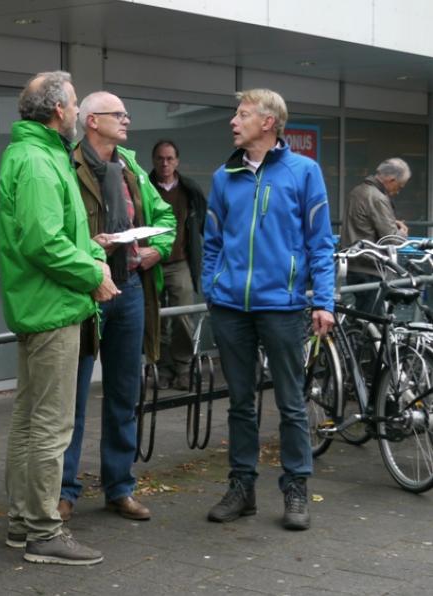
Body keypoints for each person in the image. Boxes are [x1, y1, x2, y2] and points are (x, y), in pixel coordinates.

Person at [0, 70, 118, 566]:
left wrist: (89, 247)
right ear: (59, 111)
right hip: (53, 307)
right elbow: (43, 242)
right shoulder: (39, 159)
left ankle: (24, 524)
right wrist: (92, 272)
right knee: (50, 426)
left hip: (40, 304)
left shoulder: (34, 154)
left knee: (29, 423)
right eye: (71, 102)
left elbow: (50, 232)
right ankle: (44, 531)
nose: (75, 109)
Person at [203, 88, 335, 531]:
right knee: (240, 402)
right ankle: (242, 488)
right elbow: (212, 241)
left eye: (242, 115)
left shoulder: (304, 172)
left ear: (268, 123)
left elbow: (321, 243)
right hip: (230, 308)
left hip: (283, 306)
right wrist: (212, 286)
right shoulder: (225, 175)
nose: (233, 122)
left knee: (292, 402)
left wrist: (324, 300)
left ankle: (296, 487)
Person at [58, 92, 176, 524]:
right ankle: (64, 491)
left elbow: (166, 218)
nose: (127, 120)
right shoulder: (66, 164)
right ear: (91, 121)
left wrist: (156, 251)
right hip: (84, 296)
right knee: (71, 401)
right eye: (117, 115)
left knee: (124, 395)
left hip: (128, 291)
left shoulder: (129, 166)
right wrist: (90, 247)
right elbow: (55, 231)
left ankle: (119, 487)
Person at [149, 140, 207, 390]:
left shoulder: (189, 190)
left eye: (170, 158)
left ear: (177, 161)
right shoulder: (145, 187)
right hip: (151, 264)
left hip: (180, 262)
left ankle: (184, 368)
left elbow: (204, 224)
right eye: (160, 158)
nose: (165, 163)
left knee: (183, 316)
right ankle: (162, 369)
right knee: (156, 318)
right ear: (154, 160)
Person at [339, 157, 411, 315]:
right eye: (399, 186)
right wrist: (403, 232)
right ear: (391, 180)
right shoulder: (377, 197)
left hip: (353, 263)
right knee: (371, 322)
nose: (397, 192)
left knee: (360, 318)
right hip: (370, 267)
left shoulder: (358, 190)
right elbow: (393, 239)